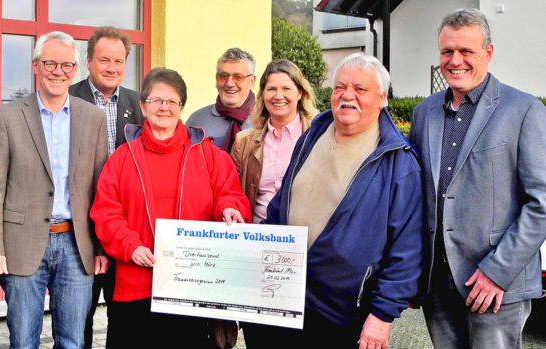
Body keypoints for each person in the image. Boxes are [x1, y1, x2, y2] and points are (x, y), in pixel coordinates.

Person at [263, 53, 424, 349]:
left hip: (342, 315)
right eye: (339, 87)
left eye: (360, 89)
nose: (347, 96)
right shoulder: (312, 135)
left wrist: (382, 315)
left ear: (382, 98)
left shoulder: (399, 161)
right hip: (283, 298)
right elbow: (280, 207)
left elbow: (407, 249)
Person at [409, 9, 546, 349]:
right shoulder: (423, 114)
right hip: (437, 282)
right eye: (447, 51)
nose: (455, 60)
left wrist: (497, 272)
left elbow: (541, 203)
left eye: (466, 51)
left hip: (496, 283)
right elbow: (416, 197)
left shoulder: (525, 110)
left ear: (488, 52)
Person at [90, 67, 251, 348]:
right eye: (155, 100)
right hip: (136, 283)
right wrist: (131, 247)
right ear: (143, 106)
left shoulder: (209, 155)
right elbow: (106, 213)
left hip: (190, 285)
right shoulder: (121, 159)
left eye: (171, 101)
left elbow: (231, 194)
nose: (163, 107)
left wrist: (229, 208)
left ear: (182, 107)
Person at [0, 31, 109, 349]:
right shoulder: (8, 117)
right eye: (50, 63)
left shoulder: (93, 118)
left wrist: (102, 246)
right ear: (36, 65)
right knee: (23, 341)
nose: (58, 71)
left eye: (66, 65)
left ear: (76, 70)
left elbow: (102, 190)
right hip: (22, 244)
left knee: (73, 342)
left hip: (77, 246)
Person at [230, 59, 317, 348]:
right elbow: (234, 193)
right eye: (271, 89)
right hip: (258, 250)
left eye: (286, 88)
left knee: (303, 333)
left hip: (306, 251)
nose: (278, 95)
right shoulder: (245, 141)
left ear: (300, 93)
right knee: (261, 333)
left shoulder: (319, 136)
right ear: (262, 94)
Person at [68, 25, 144, 349]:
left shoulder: (137, 103)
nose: (112, 68)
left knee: (122, 318)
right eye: (104, 60)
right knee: (77, 319)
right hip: (78, 229)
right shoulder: (69, 99)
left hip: (122, 228)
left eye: (118, 61)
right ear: (88, 61)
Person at [186, 48, 256, 152]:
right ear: (216, 79)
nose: (229, 83)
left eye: (238, 77)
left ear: (252, 81)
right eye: (223, 76)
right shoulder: (196, 121)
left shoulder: (267, 120)